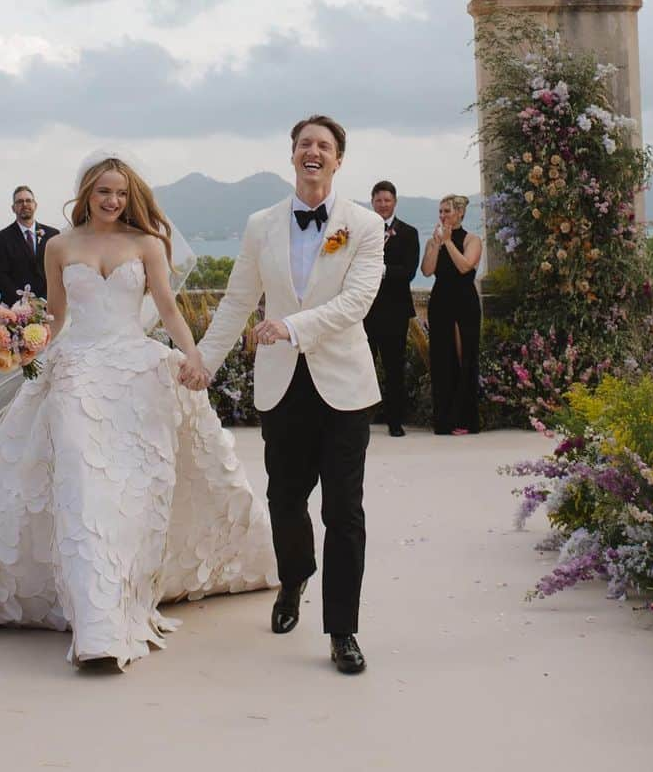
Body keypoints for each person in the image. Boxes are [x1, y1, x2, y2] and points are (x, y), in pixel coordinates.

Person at [0, 155, 276, 669]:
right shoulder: (60, 246)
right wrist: (19, 339)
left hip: (137, 372)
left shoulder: (148, 244)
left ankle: (123, 596)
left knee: (135, 489)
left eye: (120, 192)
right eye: (103, 192)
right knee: (80, 478)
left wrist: (195, 357)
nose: (112, 200)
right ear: (86, 194)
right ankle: (97, 627)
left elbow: (167, 308)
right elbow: (57, 314)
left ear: (129, 195)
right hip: (77, 369)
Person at [196, 116, 386, 676]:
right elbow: (236, 301)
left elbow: (356, 303)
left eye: (324, 146)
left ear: (338, 160)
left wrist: (292, 326)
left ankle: (343, 630)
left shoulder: (365, 225)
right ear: (292, 154)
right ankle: (295, 576)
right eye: (305, 144)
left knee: (344, 510)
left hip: (345, 388)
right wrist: (203, 362)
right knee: (284, 500)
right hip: (282, 385)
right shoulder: (261, 225)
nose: (313, 152)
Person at [363, 180, 420, 437]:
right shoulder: (361, 231)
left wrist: (382, 271)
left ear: (394, 202)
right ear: (372, 202)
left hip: (395, 311)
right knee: (363, 367)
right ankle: (360, 420)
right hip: (364, 311)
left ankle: (395, 420)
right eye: (378, 200)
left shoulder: (409, 232)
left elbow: (408, 271)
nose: (383, 205)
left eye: (387, 200)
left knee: (394, 368)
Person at [421, 195, 482, 436]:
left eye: (447, 211)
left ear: (459, 214)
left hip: (464, 302)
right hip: (441, 300)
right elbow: (427, 271)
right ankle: (443, 420)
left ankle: (465, 418)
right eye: (440, 211)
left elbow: (465, 266)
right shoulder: (433, 241)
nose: (443, 216)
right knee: (441, 359)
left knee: (463, 356)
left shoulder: (472, 239)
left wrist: (449, 243)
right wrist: (436, 245)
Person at [0, 185, 59, 304]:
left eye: (28, 200)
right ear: (13, 208)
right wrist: (23, 302)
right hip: (15, 309)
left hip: (49, 305)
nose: (25, 204)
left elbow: (58, 272)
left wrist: (43, 300)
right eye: (20, 201)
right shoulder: (2, 238)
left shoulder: (53, 235)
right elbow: (0, 276)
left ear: (35, 205)